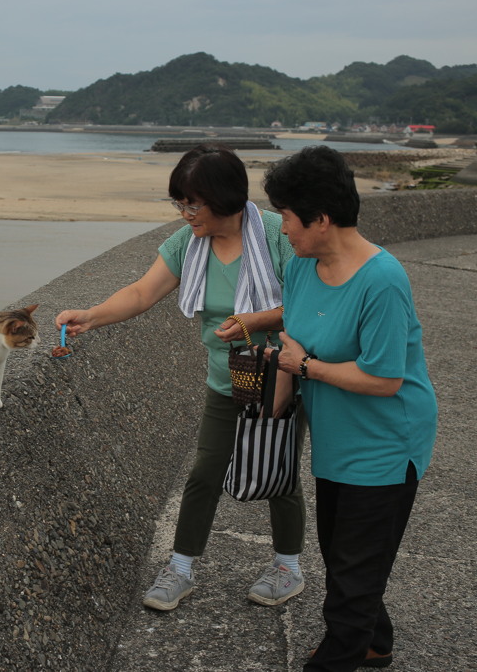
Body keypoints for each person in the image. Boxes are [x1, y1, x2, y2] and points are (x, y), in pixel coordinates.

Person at [55, 144, 307, 612]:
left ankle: (288, 567)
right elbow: (141, 291)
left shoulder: (276, 236)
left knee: (279, 470)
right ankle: (181, 568)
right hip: (226, 379)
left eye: (192, 203)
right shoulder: (187, 243)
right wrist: (92, 315)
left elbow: (306, 306)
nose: (185, 212)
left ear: (224, 199)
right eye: (180, 203)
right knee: (204, 474)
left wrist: (254, 320)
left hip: (280, 376)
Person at [262, 146, 437, 671]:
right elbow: (293, 348)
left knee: (353, 576)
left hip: (386, 441)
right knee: (344, 558)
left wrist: (307, 368)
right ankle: (376, 643)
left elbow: (385, 379)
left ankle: (340, 654)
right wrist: (266, 414)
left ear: (321, 218)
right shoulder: (302, 266)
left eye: (288, 218)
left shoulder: (382, 280)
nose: (283, 229)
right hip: (336, 437)